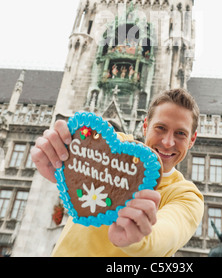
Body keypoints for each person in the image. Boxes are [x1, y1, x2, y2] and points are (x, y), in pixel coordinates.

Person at [31, 88, 204, 257]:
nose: (167, 142)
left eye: (180, 133)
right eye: (160, 128)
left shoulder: (186, 196)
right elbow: (77, 153)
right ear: (145, 126)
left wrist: (139, 238)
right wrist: (56, 154)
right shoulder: (111, 147)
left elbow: (168, 233)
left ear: (192, 140)